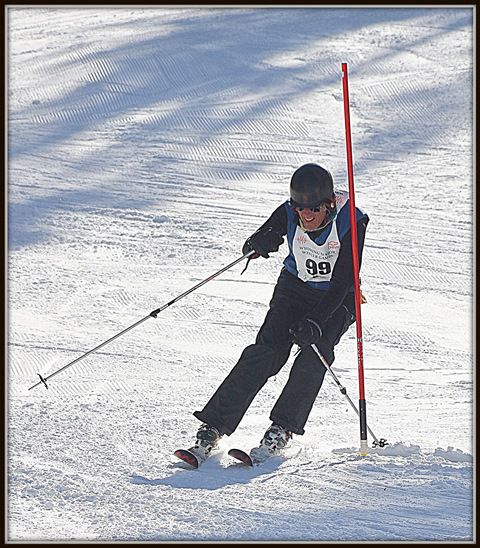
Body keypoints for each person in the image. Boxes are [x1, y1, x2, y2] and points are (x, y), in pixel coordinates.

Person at [189, 163, 369, 461]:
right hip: (294, 288)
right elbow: (265, 233)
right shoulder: (289, 211)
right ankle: (214, 426)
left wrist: (316, 319)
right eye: (300, 208)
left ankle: (282, 429)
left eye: (313, 209)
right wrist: (258, 242)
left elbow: (343, 281)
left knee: (316, 351)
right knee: (266, 351)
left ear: (329, 204)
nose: (306, 216)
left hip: (338, 297)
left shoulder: (352, 221)